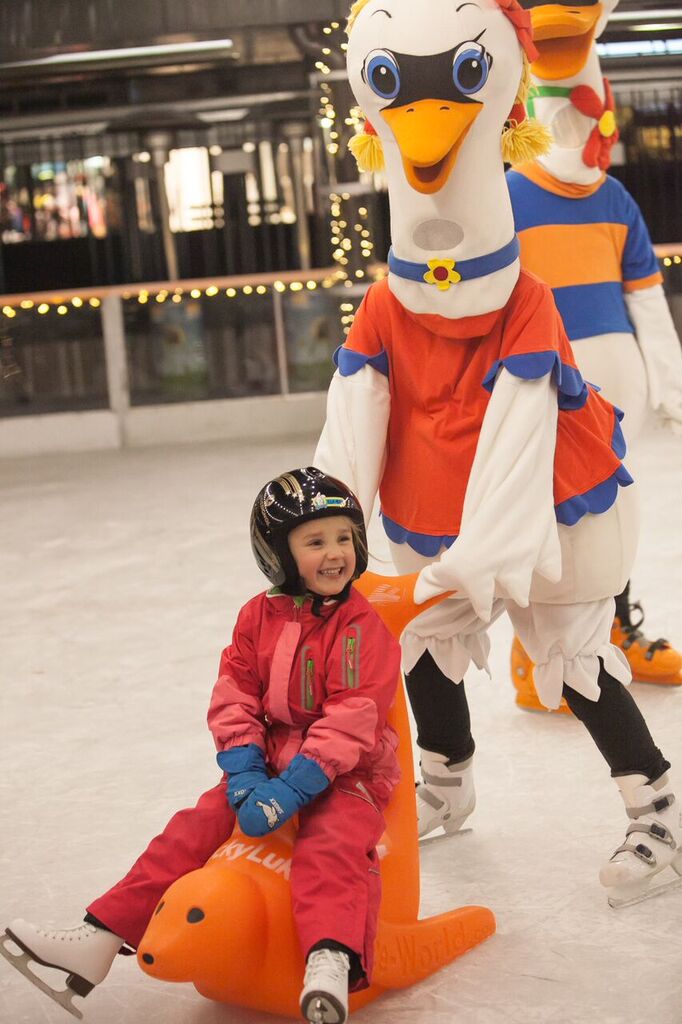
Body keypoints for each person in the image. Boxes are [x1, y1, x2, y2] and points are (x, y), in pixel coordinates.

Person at [313, 0, 682, 908]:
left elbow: (520, 440)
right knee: (426, 646)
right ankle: (447, 785)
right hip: (432, 509)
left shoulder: (527, 306)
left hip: (553, 510)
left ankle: (659, 810)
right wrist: (322, 535)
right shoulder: (384, 305)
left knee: (575, 660)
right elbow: (352, 417)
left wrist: (473, 561)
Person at [0, 467, 401, 1024]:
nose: (335, 553)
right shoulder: (257, 616)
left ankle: (328, 959)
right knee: (189, 831)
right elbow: (234, 694)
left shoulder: (359, 628)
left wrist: (294, 788)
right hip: (268, 763)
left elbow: (352, 719)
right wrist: (245, 772)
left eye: (344, 538)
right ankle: (99, 938)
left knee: (331, 845)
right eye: (315, 542)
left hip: (347, 775)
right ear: (278, 555)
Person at [505, 0, 682, 699]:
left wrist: (669, 387)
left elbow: (647, 301)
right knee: (545, 521)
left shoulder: (616, 200)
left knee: (612, 519)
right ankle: (535, 653)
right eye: (564, 119)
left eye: (589, 119)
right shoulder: (507, 198)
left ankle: (615, 632)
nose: (579, 133)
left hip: (613, 408)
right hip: (542, 392)